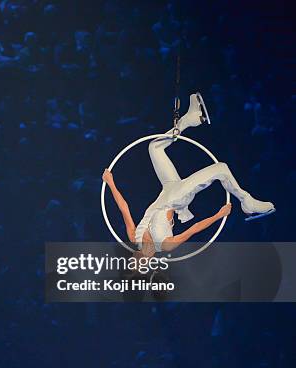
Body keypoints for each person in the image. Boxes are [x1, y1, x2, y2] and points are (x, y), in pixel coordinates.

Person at [103, 93, 275, 257]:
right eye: (144, 261)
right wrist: (218, 216)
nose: (142, 256)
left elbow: (123, 207)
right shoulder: (165, 244)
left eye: (136, 258)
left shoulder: (134, 237)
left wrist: (110, 183)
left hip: (168, 190)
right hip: (178, 198)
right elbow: (193, 229)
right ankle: (246, 201)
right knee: (221, 168)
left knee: (154, 148)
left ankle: (189, 119)